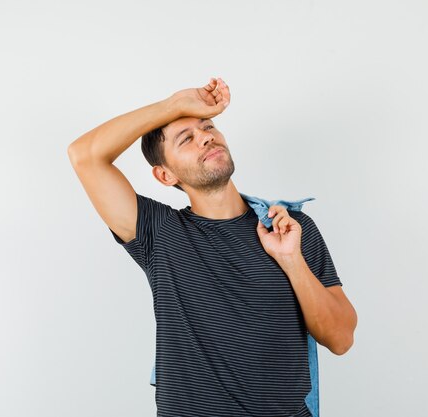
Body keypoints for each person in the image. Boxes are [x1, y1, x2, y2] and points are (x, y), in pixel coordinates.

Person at [67, 77, 357, 417]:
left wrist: (292, 260)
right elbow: (85, 156)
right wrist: (174, 105)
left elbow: (341, 339)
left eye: (209, 127)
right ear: (165, 176)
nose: (206, 136)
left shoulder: (289, 228)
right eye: (186, 138)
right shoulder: (159, 231)